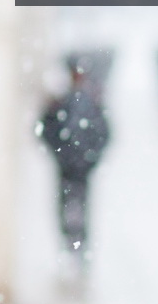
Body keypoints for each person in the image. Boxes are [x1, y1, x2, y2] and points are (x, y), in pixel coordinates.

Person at [37, 54, 112, 261]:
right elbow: (45, 131)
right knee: (67, 204)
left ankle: (78, 245)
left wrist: (90, 158)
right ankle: (70, 245)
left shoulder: (89, 102)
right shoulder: (64, 102)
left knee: (80, 204)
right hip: (69, 165)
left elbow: (104, 134)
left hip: (80, 166)